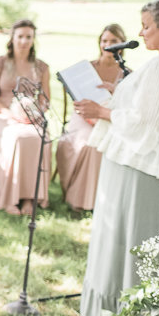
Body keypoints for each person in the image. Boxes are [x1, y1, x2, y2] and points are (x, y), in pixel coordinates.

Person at [76, 0, 159, 316]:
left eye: (146, 25)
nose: (140, 32)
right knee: (151, 244)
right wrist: (119, 92)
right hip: (153, 167)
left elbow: (146, 123)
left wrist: (101, 112)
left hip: (142, 170)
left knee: (131, 240)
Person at [55, 24, 127, 212]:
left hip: (111, 118)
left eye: (113, 41)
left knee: (111, 141)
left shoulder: (127, 74)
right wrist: (91, 118)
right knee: (90, 143)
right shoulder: (86, 69)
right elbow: (78, 103)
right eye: (104, 41)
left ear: (122, 45)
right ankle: (81, 201)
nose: (107, 45)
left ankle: (108, 201)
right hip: (83, 117)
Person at [0, 19, 51, 216]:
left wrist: (34, 113)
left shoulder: (41, 67)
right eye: (20, 36)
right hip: (2, 115)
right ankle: (10, 198)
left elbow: (45, 99)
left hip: (31, 117)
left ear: (33, 40)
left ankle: (31, 198)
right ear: (12, 38)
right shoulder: (0, 63)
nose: (24, 41)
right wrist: (9, 114)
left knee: (40, 138)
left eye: (28, 37)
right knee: (15, 139)